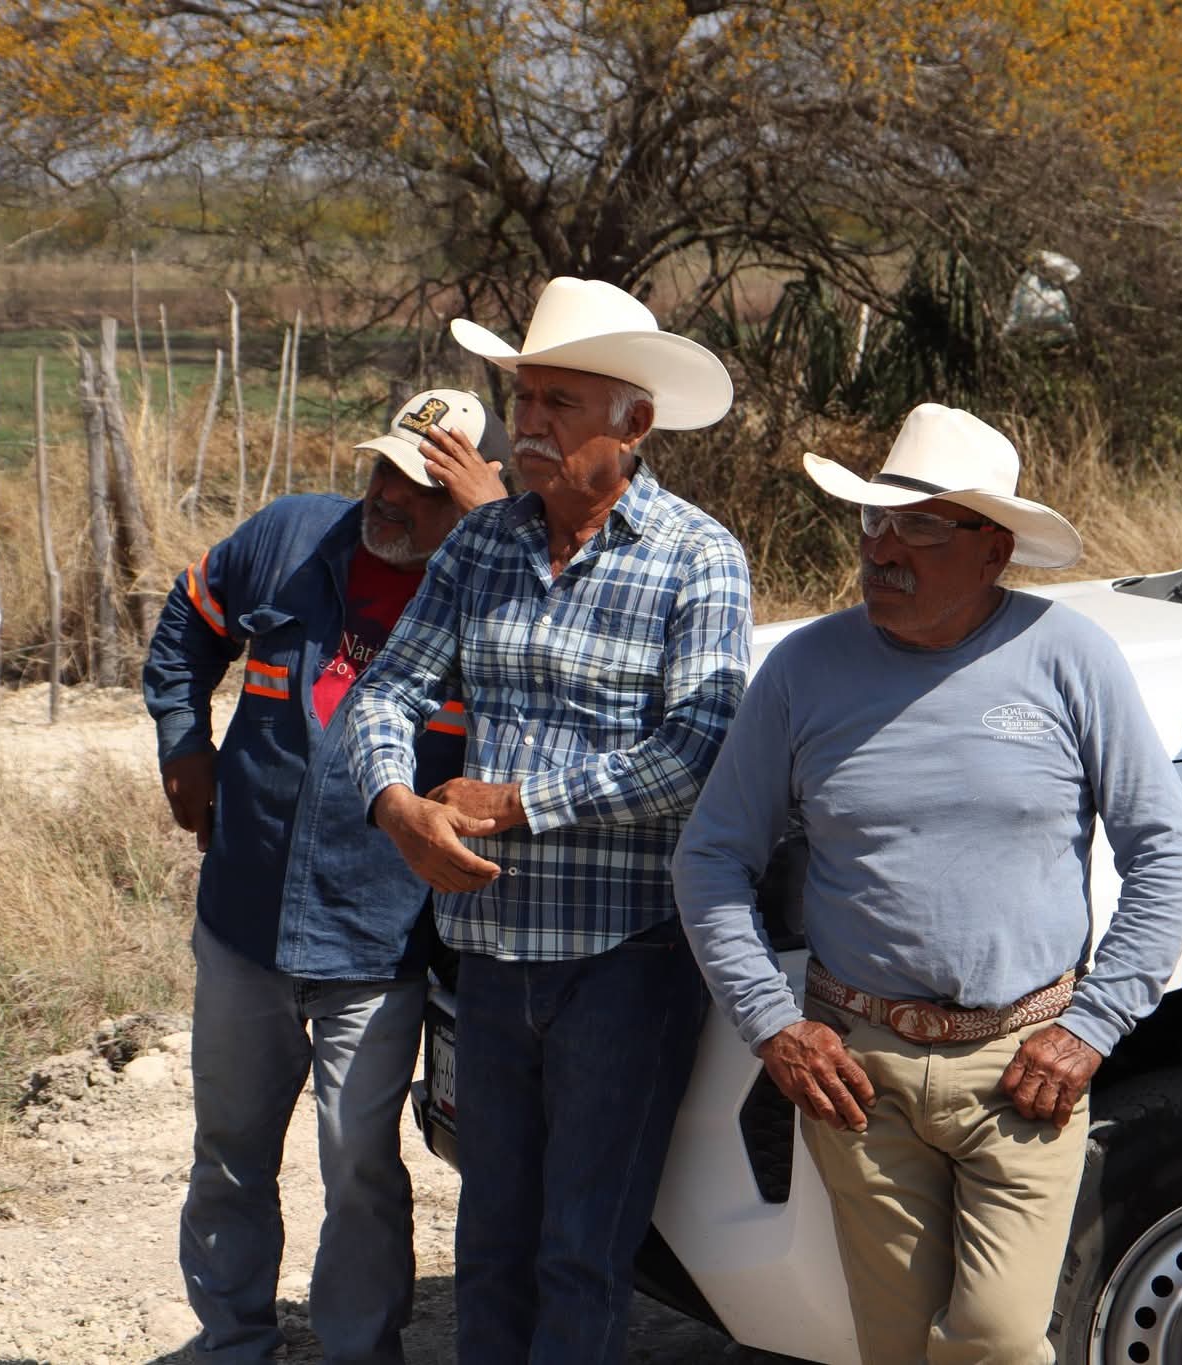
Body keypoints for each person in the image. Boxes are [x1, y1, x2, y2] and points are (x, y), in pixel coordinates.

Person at [672, 404, 1182, 1364]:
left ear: (993, 548)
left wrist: (1091, 1027)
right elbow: (711, 856)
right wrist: (772, 1024)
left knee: (996, 1338)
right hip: (858, 1071)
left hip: (1024, 1066)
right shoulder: (802, 669)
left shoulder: (1068, 655)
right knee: (892, 1346)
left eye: (919, 526)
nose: (882, 548)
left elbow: (1171, 854)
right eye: (874, 520)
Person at [344, 277, 752, 1364]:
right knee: (491, 1243)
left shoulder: (696, 554)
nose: (527, 424)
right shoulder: (482, 545)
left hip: (624, 958)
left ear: (635, 423)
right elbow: (386, 691)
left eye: (558, 402)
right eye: (523, 398)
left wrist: (517, 804)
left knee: (582, 1251)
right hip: (489, 956)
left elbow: (695, 749)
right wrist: (394, 803)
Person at [142, 388, 510, 1364]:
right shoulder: (292, 537)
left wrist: (496, 541)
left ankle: (359, 1349)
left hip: (379, 937)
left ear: (474, 498)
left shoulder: (495, 601)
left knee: (358, 1168)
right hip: (245, 919)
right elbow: (189, 617)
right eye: (386, 469)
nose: (392, 496)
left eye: (427, 486)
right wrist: (183, 738)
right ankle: (233, 1342)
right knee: (228, 1151)